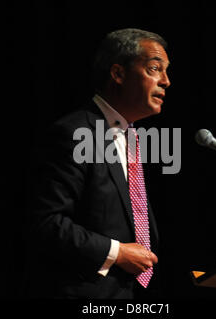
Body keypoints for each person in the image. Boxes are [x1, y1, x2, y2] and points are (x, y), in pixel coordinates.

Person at [25, 28, 171, 299]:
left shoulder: (133, 138)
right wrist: (117, 252)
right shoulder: (74, 133)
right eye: (154, 69)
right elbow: (45, 223)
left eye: (166, 71)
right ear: (118, 74)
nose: (166, 81)